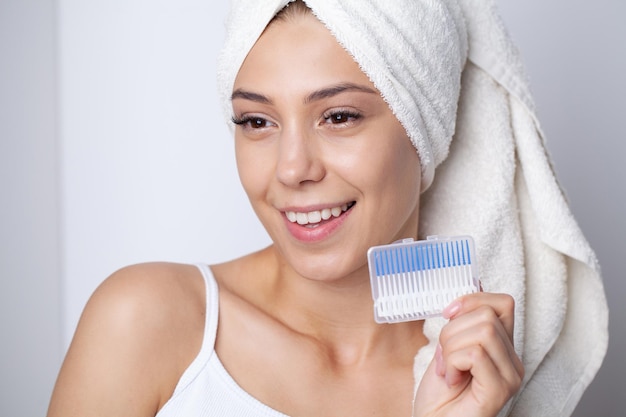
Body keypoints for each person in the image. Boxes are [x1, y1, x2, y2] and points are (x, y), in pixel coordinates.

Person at [47, 1, 608, 416]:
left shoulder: (479, 377)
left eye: (338, 116)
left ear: (426, 130)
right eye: (257, 121)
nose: (292, 169)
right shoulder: (148, 322)